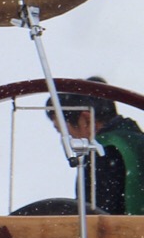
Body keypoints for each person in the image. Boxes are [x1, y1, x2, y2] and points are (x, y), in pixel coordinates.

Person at [55, 78, 144, 215]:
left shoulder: (102, 151)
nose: (66, 141)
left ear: (86, 120)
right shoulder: (136, 141)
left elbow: (97, 220)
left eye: (64, 132)